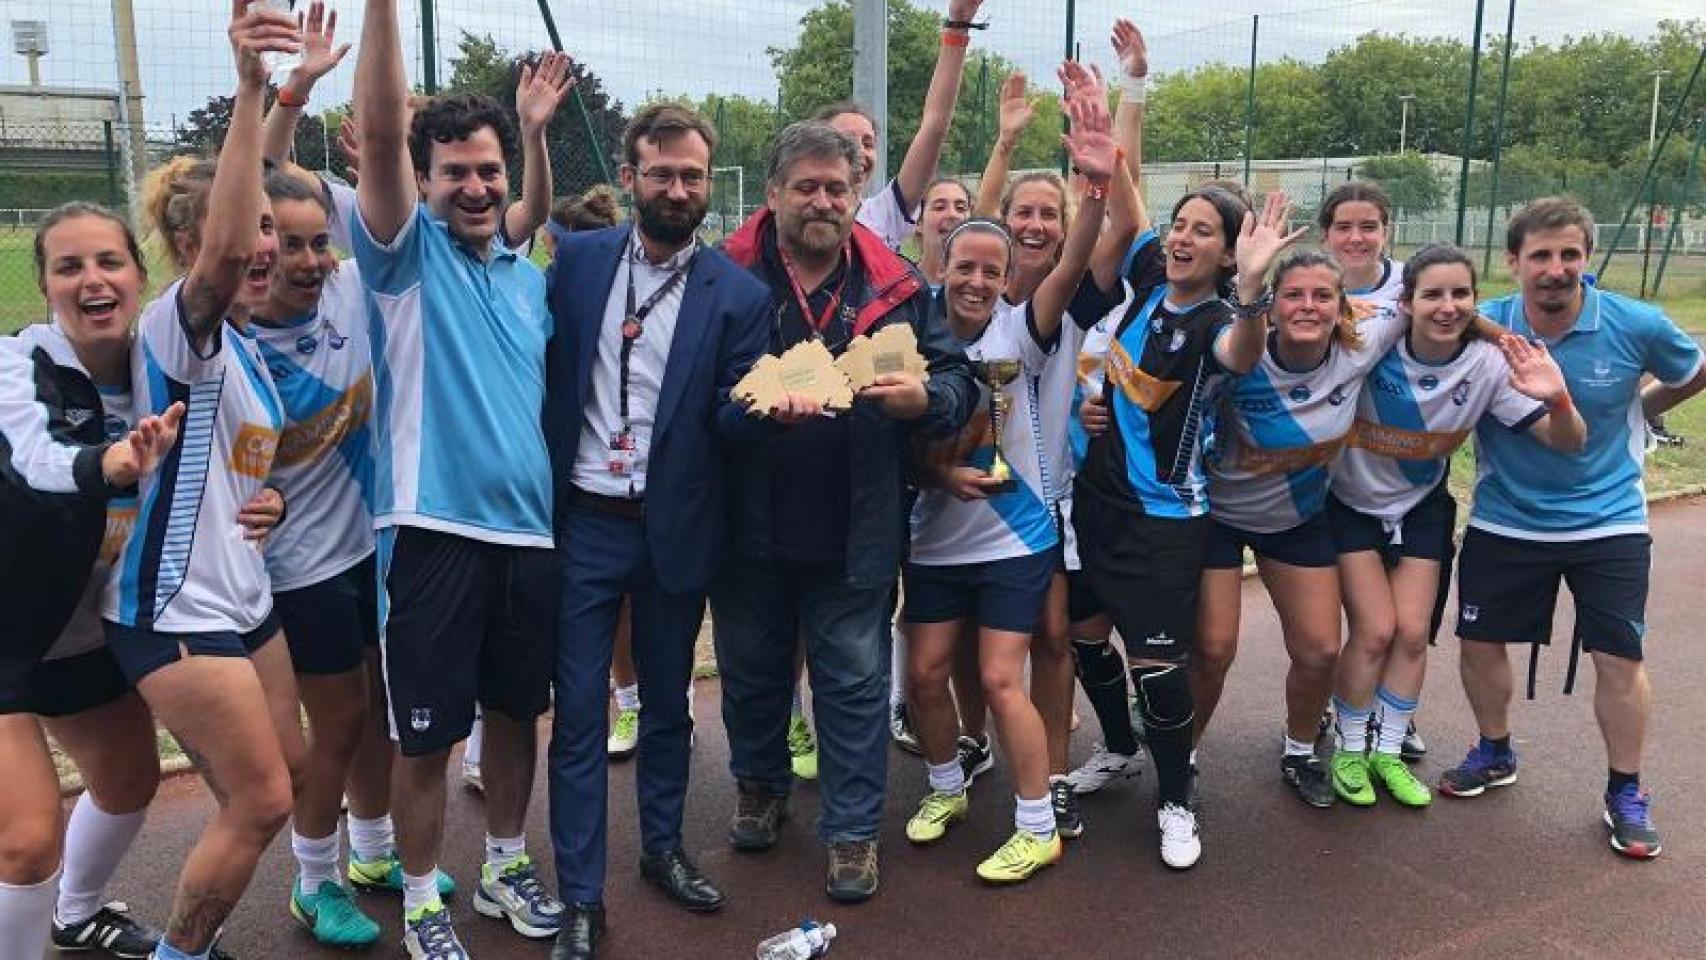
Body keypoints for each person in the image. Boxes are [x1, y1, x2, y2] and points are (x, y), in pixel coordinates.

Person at [350, 0, 573, 953]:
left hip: (529, 535)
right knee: (427, 738)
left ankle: (504, 867)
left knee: (521, 715)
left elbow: (530, 210)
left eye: (486, 171)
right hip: (434, 531)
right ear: (421, 179)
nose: (477, 190)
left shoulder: (521, 270)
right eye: (456, 175)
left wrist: (529, 136)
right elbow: (389, 122)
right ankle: (423, 901)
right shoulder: (403, 258)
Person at [715, 120, 977, 903]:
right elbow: (695, 394)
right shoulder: (724, 278)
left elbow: (958, 378)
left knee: (855, 684)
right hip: (746, 526)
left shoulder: (896, 285)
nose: (823, 201)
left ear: (858, 193)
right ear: (773, 194)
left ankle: (853, 831)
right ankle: (759, 787)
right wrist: (749, 409)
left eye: (838, 187)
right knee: (753, 678)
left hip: (856, 528)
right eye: (806, 187)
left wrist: (927, 397)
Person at [96, 6, 308, 957]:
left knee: (283, 776)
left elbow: (237, 468)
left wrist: (270, 500)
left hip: (243, 596)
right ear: (192, 253)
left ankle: (195, 920)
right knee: (263, 799)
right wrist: (254, 84)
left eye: (276, 227)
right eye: (251, 232)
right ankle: (180, 953)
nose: (266, 245)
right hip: (173, 609)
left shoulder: (249, 353)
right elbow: (225, 257)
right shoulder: (177, 327)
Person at [541, 102, 771, 960]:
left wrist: (771, 410)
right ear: (630, 178)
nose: (679, 189)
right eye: (663, 173)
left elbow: (729, 415)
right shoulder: (576, 263)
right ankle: (580, 896)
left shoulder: (737, 295)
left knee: (669, 704)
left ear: (709, 186)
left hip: (674, 527)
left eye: (693, 177)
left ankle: (663, 851)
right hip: (585, 523)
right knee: (577, 716)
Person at [902, 78, 1132, 881]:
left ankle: (1037, 821)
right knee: (923, 676)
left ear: (1005, 279)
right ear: (943, 264)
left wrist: (1097, 184)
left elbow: (1072, 264)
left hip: (1017, 533)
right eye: (963, 264)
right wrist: (931, 466)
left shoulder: (1022, 328)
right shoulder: (909, 327)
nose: (975, 280)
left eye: (990, 269)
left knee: (1003, 677)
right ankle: (944, 786)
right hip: (932, 538)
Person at [1441, 198, 1706, 860]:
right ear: (1513, 262)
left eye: (1570, 256)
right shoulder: (1487, 327)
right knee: (1478, 642)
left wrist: (1645, 408)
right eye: (1541, 256)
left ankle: (1625, 789)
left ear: (1586, 261)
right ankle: (1495, 749)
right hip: (1506, 517)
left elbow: (1693, 369)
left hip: (1608, 518)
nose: (1556, 270)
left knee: (1620, 657)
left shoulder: (1635, 323)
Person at [1069, 168, 1292, 867]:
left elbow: (1243, 355)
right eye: (1181, 224)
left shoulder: (1220, 323)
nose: (1183, 237)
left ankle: (1176, 799)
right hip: (1095, 505)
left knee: (1159, 671)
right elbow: (1130, 207)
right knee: (1081, 637)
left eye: (1203, 230)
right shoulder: (1149, 277)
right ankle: (1117, 746)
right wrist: (1120, 121)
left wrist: (1253, 292)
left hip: (1164, 518)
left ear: (1229, 254)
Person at [1327, 243, 1585, 809]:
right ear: (1407, 301)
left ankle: (1388, 754)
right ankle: (1347, 748)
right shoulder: (1379, 344)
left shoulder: (1490, 365)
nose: (1448, 306)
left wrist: (1559, 397)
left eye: (1461, 294)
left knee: (1413, 634)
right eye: (1433, 294)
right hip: (1349, 503)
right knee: (1373, 633)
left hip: (1421, 506)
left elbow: (1569, 443)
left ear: (1476, 298)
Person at [0, 206, 185, 960]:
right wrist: (104, 465)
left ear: (140, 276)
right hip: (5, 630)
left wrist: (262, 502)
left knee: (129, 777)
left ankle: (74, 915)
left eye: (108, 261)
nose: (92, 280)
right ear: (44, 285)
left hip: (81, 626)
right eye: (69, 267)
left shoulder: (160, 368)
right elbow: (33, 459)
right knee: (27, 837)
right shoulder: (17, 365)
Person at [1191, 245, 1408, 810]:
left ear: (1344, 309)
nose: (1307, 306)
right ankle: (1180, 759)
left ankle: (1299, 750)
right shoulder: (1242, 353)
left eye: (1322, 296)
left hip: (1296, 520)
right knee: (1212, 649)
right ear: (1272, 304)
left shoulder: (1363, 345)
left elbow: (1434, 304)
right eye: (1293, 295)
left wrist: (1501, 336)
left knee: (1318, 650)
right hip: (1219, 515)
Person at [246, 168, 391, 947]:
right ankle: (313, 883)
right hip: (301, 571)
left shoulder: (344, 292)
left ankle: (372, 852)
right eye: (285, 244)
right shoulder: (231, 346)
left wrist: (297, 102)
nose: (307, 261)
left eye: (317, 243)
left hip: (375, 544)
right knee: (336, 725)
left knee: (381, 711)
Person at [1318, 179, 1429, 762]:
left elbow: (1462, 326)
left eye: (1369, 226)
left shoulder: (1413, 287)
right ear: (1326, 234)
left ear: (1387, 230)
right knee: (1353, 621)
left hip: (1411, 482)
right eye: (1344, 226)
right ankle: (1329, 708)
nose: (1357, 237)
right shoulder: (1311, 289)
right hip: (1335, 482)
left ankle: (1392, 717)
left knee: (1405, 626)